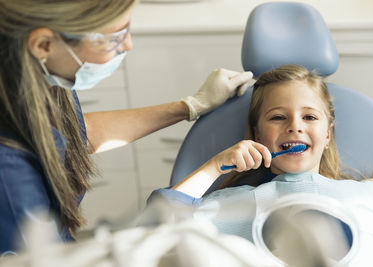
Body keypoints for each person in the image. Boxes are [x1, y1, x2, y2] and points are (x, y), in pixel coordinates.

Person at [0, 0, 253, 254]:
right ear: (44, 44)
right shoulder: (9, 173)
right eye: (114, 38)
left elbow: (76, 133)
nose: (128, 44)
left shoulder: (40, 80)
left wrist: (190, 106)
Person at [148, 65, 373, 264]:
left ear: (327, 136)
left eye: (309, 117)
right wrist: (214, 166)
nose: (295, 126)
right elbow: (156, 227)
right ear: (257, 136)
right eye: (278, 117)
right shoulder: (231, 205)